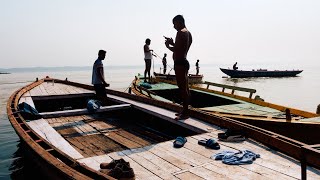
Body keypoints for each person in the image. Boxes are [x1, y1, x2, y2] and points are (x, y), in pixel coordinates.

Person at [165, 15, 192, 120]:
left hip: (180, 63)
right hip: (184, 62)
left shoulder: (180, 32)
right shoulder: (188, 33)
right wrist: (173, 43)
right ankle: (186, 110)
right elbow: (182, 48)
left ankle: (185, 113)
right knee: (186, 88)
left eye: (174, 24)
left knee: (182, 88)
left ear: (179, 22)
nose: (174, 26)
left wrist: (168, 46)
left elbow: (177, 50)